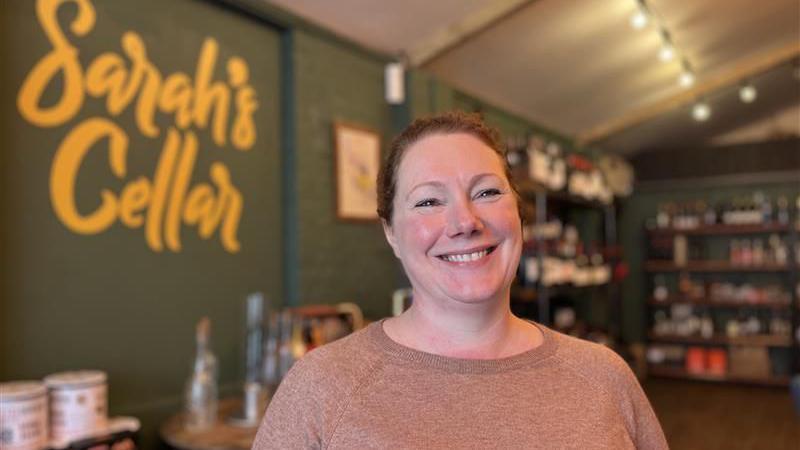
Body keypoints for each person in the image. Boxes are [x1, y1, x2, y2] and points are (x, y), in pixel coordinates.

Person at [252, 112, 668, 449]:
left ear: (518, 213)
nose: (465, 222)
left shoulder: (604, 377)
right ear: (391, 232)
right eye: (429, 201)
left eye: (487, 193)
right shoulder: (322, 387)